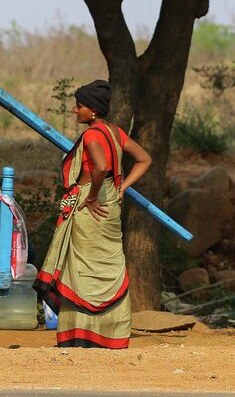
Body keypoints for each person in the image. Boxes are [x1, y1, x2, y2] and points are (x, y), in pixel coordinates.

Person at [34, 79, 152, 349]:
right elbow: (145, 159)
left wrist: (91, 195)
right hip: (111, 205)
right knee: (108, 266)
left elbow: (99, 167)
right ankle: (111, 335)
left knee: (80, 269)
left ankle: (81, 336)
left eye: (80, 107)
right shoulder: (116, 132)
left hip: (93, 203)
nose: (75, 111)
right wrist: (122, 185)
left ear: (94, 111)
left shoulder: (91, 134)